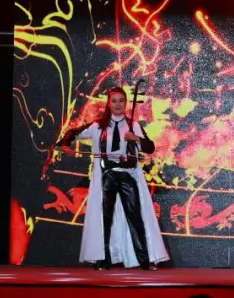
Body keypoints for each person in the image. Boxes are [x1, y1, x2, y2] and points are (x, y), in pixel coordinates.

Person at [54, 86, 168, 270]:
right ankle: (103, 259)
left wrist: (136, 139)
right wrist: (65, 145)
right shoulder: (97, 126)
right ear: (108, 103)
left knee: (135, 216)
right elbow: (73, 134)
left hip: (128, 175)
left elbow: (150, 147)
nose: (117, 104)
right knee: (104, 218)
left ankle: (144, 259)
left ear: (125, 103)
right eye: (114, 101)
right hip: (107, 175)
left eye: (121, 101)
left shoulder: (133, 126)